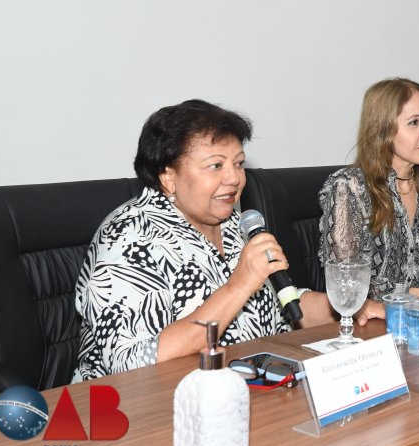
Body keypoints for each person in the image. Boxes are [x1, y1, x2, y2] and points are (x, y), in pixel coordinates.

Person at [72, 99, 378, 381]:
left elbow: (286, 308)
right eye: (216, 165)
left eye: (239, 163)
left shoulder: (235, 223)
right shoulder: (127, 237)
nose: (234, 178)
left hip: (245, 386)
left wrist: (347, 307)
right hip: (140, 407)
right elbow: (130, 364)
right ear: (168, 176)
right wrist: (239, 286)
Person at [318, 78, 419, 302]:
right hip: (371, 319)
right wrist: (418, 295)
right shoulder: (349, 187)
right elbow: (346, 284)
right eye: (414, 122)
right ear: (382, 130)